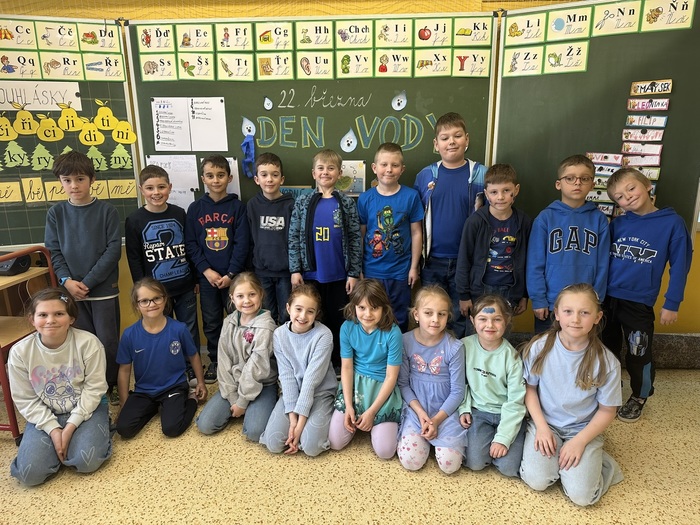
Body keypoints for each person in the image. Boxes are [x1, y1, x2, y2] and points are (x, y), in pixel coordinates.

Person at [519, 283, 623, 507]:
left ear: (597, 317)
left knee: (582, 497)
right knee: (537, 480)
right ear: (557, 314)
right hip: (546, 424)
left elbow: (608, 410)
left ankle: (603, 464)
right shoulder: (539, 348)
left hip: (582, 429)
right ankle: (568, 463)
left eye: (584, 313)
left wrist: (580, 441)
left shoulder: (607, 362)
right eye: (568, 311)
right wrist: (542, 428)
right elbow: (530, 389)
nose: (575, 319)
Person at [602, 167, 692, 422]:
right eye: (619, 196)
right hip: (607, 299)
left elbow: (680, 265)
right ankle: (609, 389)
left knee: (638, 351)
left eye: (631, 188)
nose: (627, 197)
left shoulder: (672, 223)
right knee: (605, 349)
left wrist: (672, 303)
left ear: (647, 186)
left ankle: (639, 395)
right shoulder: (617, 224)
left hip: (638, 303)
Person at [8, 288, 112, 486]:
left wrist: (70, 426)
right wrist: (54, 430)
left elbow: (95, 388)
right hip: (45, 413)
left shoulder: (89, 343)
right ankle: (58, 446)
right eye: (42, 315)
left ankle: (97, 428)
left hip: (86, 409)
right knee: (31, 475)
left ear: (71, 318)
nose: (50, 320)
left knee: (86, 462)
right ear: (32, 319)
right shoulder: (20, 352)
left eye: (58, 313)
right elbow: (25, 399)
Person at [45, 151, 122, 405]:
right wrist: (66, 281)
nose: (74, 185)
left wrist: (88, 282)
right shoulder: (56, 213)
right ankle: (90, 386)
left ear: (92, 179)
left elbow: (113, 250)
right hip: (71, 291)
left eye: (80, 179)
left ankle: (110, 384)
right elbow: (54, 251)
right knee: (81, 342)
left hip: (103, 289)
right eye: (67, 180)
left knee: (107, 341)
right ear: (60, 181)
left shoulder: (107, 211)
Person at [414, 112, 488, 338]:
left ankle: (457, 356)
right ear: (436, 144)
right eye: (445, 138)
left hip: (466, 262)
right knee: (432, 317)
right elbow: (415, 221)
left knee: (461, 316)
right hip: (431, 261)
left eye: (457, 136)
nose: (452, 142)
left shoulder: (481, 174)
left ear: (467, 139)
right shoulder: (425, 175)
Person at [125, 164, 201, 385]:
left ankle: (191, 369)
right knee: (160, 331)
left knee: (188, 329)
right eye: (150, 188)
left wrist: (195, 278)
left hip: (184, 285)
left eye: (161, 187)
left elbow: (190, 247)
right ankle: (170, 369)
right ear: (141, 189)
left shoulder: (179, 213)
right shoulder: (134, 220)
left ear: (170, 187)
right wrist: (141, 290)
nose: (156, 192)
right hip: (155, 294)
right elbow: (134, 258)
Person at [288, 149, 362, 367]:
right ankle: (313, 362)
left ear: (339, 173)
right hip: (311, 275)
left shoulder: (346, 203)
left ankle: (338, 363)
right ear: (313, 173)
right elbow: (293, 236)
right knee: (312, 319)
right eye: (320, 168)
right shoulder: (303, 202)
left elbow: (355, 238)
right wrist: (295, 269)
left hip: (339, 275)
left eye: (331, 168)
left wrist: (353, 273)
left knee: (339, 320)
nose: (325, 172)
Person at [526, 154, 610, 333]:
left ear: (592, 185)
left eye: (584, 179)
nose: (577, 183)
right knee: (546, 347)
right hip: (551, 303)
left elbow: (603, 265)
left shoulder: (599, 220)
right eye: (570, 178)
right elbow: (534, 263)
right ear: (559, 184)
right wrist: (538, 299)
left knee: (582, 348)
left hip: (586, 305)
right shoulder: (545, 218)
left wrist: (596, 300)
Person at [186, 155, 250, 383]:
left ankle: (240, 359)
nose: (216, 180)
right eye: (210, 176)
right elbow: (191, 244)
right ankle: (215, 360)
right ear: (203, 178)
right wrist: (206, 271)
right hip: (207, 278)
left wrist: (231, 274)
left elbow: (242, 244)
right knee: (211, 321)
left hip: (234, 278)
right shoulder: (195, 209)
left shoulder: (238, 207)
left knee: (239, 319)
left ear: (229, 178)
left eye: (220, 175)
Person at [116, 278, 207, 439]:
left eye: (156, 298)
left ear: (165, 299)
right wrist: (124, 403)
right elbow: (124, 370)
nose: (151, 304)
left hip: (174, 386)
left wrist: (201, 383)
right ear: (137, 305)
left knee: (171, 429)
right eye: (144, 301)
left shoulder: (179, 329)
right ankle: (153, 406)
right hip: (144, 391)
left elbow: (193, 356)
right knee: (124, 429)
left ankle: (190, 399)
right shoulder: (129, 335)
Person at [196, 272, 278, 442]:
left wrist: (242, 402)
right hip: (234, 382)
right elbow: (223, 360)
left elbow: (256, 369)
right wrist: (233, 397)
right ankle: (243, 407)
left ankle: (255, 406)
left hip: (262, 383)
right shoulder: (229, 322)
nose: (246, 301)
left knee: (254, 432)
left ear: (261, 294)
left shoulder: (266, 327)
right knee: (206, 425)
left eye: (252, 294)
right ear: (232, 298)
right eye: (240, 296)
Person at [328, 279, 403, 459]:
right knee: (335, 442)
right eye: (362, 308)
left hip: (382, 387)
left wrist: (371, 412)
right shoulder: (347, 328)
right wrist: (348, 406)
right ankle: (358, 417)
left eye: (374, 308)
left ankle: (376, 423)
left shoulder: (393, 333)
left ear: (383, 308)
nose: (367, 314)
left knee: (385, 452)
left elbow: (391, 377)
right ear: (354, 307)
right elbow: (346, 368)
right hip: (355, 385)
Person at [260, 284, 337, 456]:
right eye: (298, 309)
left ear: (316, 314)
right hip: (293, 393)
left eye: (310, 311)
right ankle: (299, 424)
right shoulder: (279, 334)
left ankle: (323, 415)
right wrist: (293, 421)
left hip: (320, 393)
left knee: (311, 447)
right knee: (273, 444)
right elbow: (286, 377)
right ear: (288, 308)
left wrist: (299, 426)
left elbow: (310, 382)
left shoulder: (324, 335)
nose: (303, 316)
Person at [397, 285, 466, 474]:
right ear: (416, 315)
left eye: (441, 314)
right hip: (415, 408)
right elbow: (403, 384)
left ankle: (437, 441)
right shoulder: (404, 341)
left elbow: (458, 391)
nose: (435, 319)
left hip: (445, 411)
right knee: (411, 462)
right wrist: (421, 413)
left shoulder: (455, 347)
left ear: (447, 317)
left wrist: (436, 420)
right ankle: (423, 440)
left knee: (449, 465)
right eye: (428, 313)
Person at [358, 142, 423, 332]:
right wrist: (358, 268)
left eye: (395, 165)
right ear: (374, 168)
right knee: (371, 316)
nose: (389, 169)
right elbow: (360, 235)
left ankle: (397, 350)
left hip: (400, 272)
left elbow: (416, 233)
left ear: (402, 169)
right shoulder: (365, 199)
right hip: (372, 271)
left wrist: (414, 267)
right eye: (384, 164)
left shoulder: (411, 197)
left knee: (399, 317)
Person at [459, 295, 526, 477]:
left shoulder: (512, 357)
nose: (489, 325)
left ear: (507, 321)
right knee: (475, 463)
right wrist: (464, 408)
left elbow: (516, 401)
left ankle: (512, 437)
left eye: (497, 319)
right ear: (472, 320)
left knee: (508, 468)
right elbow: (460, 383)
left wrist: (503, 438)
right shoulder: (463, 346)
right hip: (478, 412)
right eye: (483, 319)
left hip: (506, 414)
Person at [456, 164, 532, 324]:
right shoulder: (475, 222)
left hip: (510, 290)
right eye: (494, 192)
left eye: (506, 190)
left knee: (502, 331)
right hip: (480, 290)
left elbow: (528, 261)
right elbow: (464, 259)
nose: (500, 197)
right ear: (486, 194)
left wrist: (524, 295)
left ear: (516, 190)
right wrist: (464, 295)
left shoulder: (524, 222)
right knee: (477, 331)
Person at [247, 152, 295, 324]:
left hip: (286, 273)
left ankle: (284, 343)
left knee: (286, 315)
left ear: (282, 179)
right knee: (266, 315)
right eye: (264, 175)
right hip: (262, 272)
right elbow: (249, 239)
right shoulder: (252, 205)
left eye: (274, 175)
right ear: (256, 179)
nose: (269, 179)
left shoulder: (291, 205)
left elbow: (296, 239)